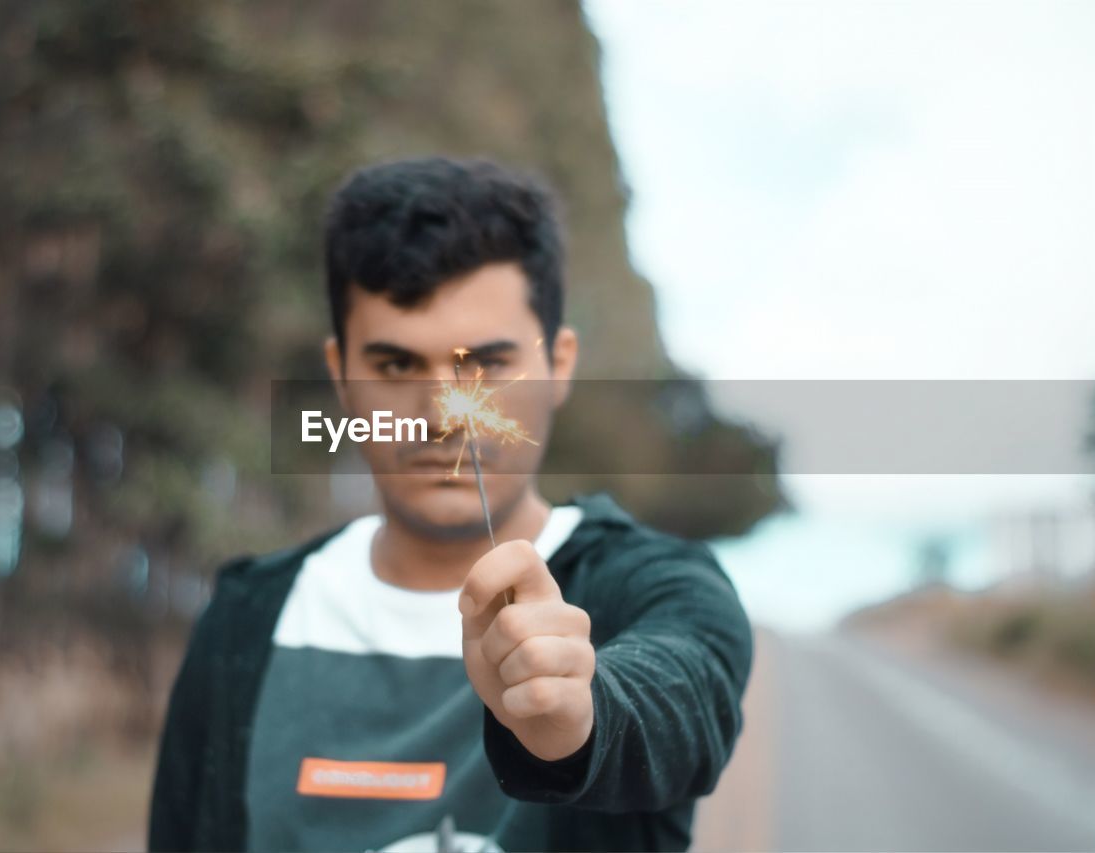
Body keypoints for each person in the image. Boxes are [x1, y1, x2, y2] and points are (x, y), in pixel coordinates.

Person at [147, 157, 752, 852]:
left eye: (487, 365)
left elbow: (685, 689)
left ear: (559, 363)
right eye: (397, 366)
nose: (441, 415)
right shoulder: (245, 619)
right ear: (342, 375)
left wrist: (579, 713)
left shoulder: (650, 586)